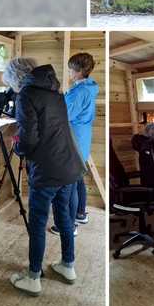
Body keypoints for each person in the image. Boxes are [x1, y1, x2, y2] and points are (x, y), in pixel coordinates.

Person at [2, 58, 82, 297]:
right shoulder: (54, 91)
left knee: (37, 225)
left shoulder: (26, 95)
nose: (13, 90)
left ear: (17, 79)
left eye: (12, 85)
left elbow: (28, 141)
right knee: (64, 219)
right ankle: (68, 267)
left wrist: (16, 146)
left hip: (46, 172)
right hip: (68, 168)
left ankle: (33, 277)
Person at [50, 52, 99, 235]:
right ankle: (81, 213)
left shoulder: (80, 92)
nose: (68, 73)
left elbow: (64, 115)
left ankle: (69, 226)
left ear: (78, 71)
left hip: (74, 139)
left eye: (70, 70)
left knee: (70, 182)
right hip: (82, 137)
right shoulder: (86, 87)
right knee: (78, 178)